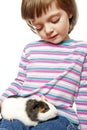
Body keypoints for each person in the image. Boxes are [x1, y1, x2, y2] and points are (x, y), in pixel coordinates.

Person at [0, 0, 87, 130]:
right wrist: (2, 100)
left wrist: (84, 126)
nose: (48, 30)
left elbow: (83, 93)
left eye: (55, 20)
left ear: (69, 12)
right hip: (23, 114)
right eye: (38, 27)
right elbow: (19, 82)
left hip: (60, 117)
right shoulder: (30, 49)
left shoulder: (82, 50)